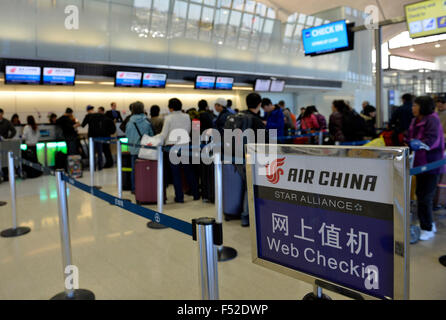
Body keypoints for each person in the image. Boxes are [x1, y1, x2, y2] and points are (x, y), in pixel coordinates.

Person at [407, 96, 445, 241]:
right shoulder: (414, 120)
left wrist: (419, 143)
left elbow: (433, 141)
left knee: (425, 197)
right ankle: (430, 224)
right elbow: (409, 136)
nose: (413, 108)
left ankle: (427, 228)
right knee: (421, 195)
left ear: (423, 106)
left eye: (415, 105)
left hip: (431, 164)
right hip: (418, 164)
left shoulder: (432, 120)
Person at [227, 93, 266, 227]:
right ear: (259, 104)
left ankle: (237, 212)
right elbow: (264, 142)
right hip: (251, 157)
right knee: (251, 186)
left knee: (244, 185)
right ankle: (247, 216)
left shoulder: (238, 117)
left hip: (235, 156)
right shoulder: (256, 120)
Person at [157, 98, 199, 203]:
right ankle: (196, 194)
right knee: (188, 171)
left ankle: (179, 198)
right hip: (185, 145)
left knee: (176, 173)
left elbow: (164, 133)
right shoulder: (187, 116)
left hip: (172, 147)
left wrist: (156, 141)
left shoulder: (168, 118)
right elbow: (189, 130)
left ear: (170, 108)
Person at [125, 101, 154, 193]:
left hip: (133, 150)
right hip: (146, 151)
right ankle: (145, 187)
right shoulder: (147, 122)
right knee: (146, 170)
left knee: (134, 170)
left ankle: (134, 188)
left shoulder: (129, 123)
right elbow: (151, 136)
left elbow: (127, 136)